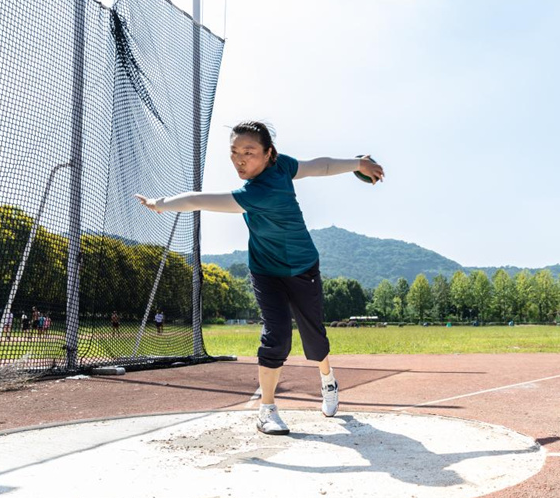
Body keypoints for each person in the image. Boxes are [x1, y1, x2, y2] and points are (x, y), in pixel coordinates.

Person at [136, 121, 384, 435]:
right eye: (235, 152)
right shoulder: (251, 191)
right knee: (276, 335)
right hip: (266, 271)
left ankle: (327, 378)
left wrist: (356, 163)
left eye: (249, 152)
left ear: (269, 154)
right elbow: (198, 200)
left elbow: (318, 166)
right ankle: (267, 409)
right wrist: (161, 204)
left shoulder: (276, 174)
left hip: (303, 267)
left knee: (315, 339)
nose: (240, 159)